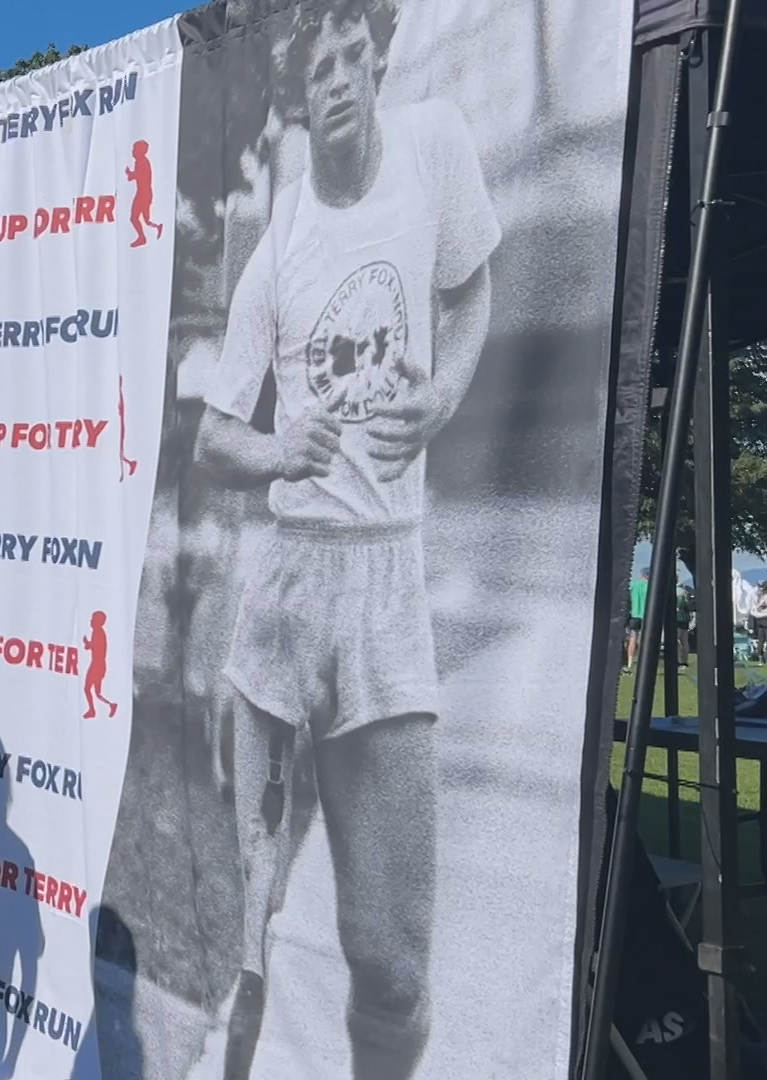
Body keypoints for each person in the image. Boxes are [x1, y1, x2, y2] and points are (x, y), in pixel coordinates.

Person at [194, 3, 500, 1077]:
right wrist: (279, 449)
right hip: (285, 593)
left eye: (348, 59)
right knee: (252, 939)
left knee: (390, 958)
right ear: (294, 94)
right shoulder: (280, 246)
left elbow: (467, 291)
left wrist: (448, 394)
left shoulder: (434, 150)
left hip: (385, 580)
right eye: (313, 68)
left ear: (375, 63)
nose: (335, 80)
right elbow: (217, 434)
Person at [627, 567, 649, 672]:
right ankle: (642, 662)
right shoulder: (650, 586)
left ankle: (630, 663)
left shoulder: (634, 585)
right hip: (646, 616)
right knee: (644, 640)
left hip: (635, 614)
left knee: (632, 639)